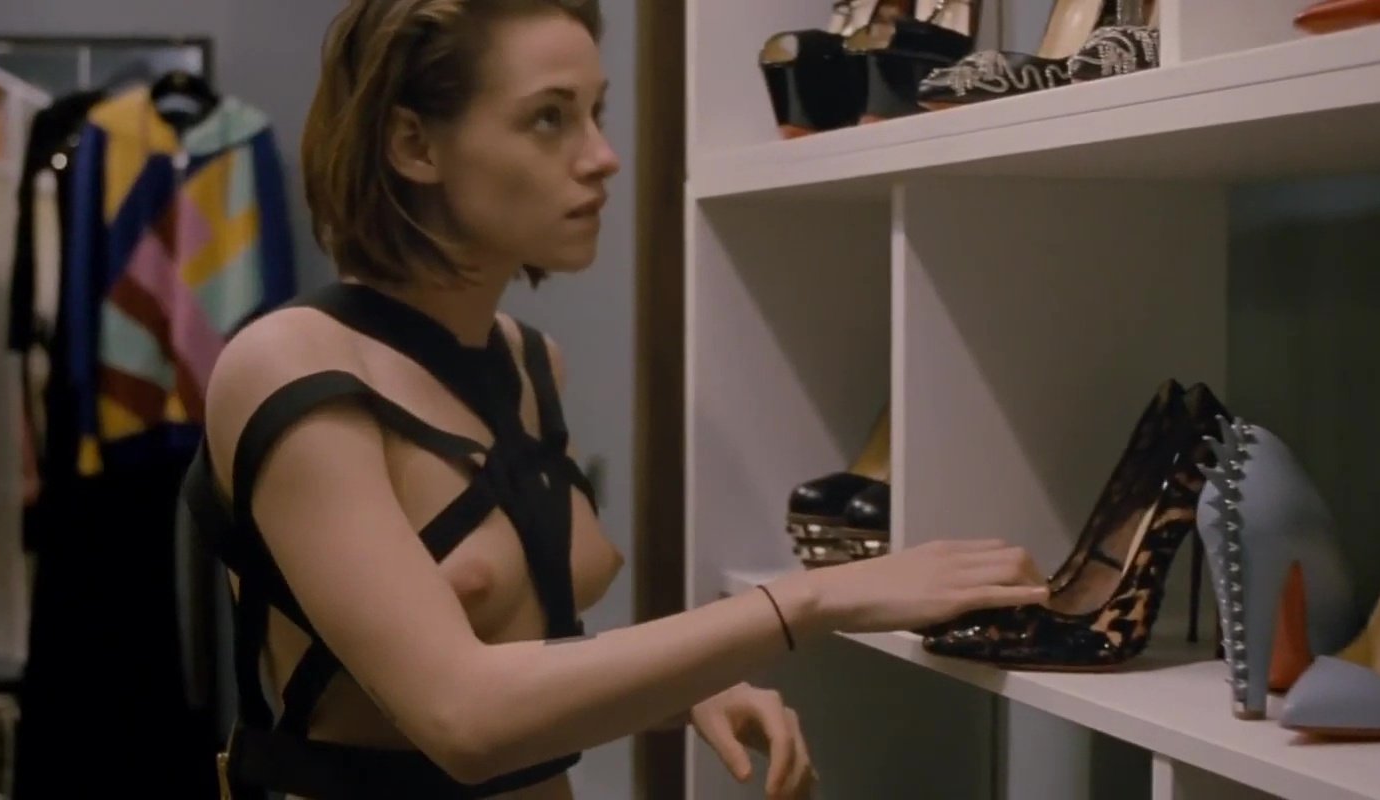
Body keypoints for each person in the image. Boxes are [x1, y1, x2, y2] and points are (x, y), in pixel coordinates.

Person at [184, 1, 1051, 798]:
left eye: (597, 113)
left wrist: (685, 690)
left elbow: (523, 653)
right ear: (414, 144)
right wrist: (814, 599)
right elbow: (463, 717)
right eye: (549, 118)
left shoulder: (530, 365)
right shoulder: (293, 366)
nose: (603, 157)